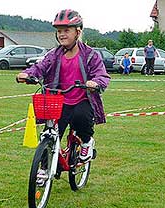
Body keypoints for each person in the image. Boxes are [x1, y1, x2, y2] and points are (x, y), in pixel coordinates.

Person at [17, 9, 110, 163]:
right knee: (50, 135)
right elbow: (40, 67)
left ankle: (87, 142)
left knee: (82, 117)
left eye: (66, 30)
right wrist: (28, 74)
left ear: (78, 32)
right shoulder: (54, 55)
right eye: (59, 31)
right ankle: (44, 169)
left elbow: (101, 74)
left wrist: (96, 83)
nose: (62, 34)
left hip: (82, 99)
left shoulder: (90, 55)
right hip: (58, 102)